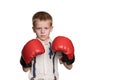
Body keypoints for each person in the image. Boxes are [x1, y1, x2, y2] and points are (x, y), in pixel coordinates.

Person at [20, 11, 75, 80]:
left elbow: (69, 67)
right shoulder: (30, 46)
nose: (42, 31)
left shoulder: (56, 45)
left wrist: (69, 58)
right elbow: (25, 70)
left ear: (51, 28)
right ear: (34, 29)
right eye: (39, 28)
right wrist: (24, 60)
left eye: (46, 28)